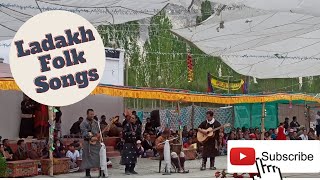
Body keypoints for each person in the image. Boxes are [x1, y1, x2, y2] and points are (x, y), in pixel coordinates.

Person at [80, 109, 104, 178]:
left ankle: (101, 173)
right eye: (91, 114)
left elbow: (98, 131)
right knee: (87, 157)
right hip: (87, 142)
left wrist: (97, 135)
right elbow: (84, 132)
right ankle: (87, 174)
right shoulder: (83, 123)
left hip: (96, 143)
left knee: (98, 157)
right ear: (87, 114)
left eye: (93, 114)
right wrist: (90, 137)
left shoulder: (96, 122)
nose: (92, 115)